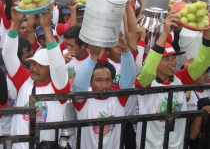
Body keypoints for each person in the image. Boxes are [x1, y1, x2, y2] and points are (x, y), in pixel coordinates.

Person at [135, 12, 210, 149]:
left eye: (174, 57)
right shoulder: (147, 81)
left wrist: (207, 31)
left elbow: (203, 61)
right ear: (156, 61)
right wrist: (165, 33)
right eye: (166, 58)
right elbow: (148, 68)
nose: (173, 62)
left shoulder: (181, 78)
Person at [3, 5, 69, 149]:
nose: (34, 68)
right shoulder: (25, 80)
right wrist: (15, 24)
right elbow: (7, 55)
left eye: (40, 65)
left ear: (51, 69)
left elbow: (58, 64)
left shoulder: (59, 87)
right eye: (33, 63)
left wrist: (46, 28)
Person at [70, 34, 136, 149]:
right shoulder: (83, 100)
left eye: (108, 80)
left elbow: (129, 78)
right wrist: (94, 56)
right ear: (90, 83)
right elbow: (79, 85)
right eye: (99, 80)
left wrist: (125, 50)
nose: (104, 85)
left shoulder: (118, 97)